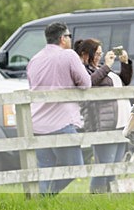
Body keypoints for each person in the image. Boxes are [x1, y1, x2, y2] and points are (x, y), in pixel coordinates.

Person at [26, 22, 92, 195]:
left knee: (45, 169)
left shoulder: (34, 59)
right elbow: (86, 83)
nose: (71, 40)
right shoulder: (68, 55)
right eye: (69, 36)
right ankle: (46, 196)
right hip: (61, 122)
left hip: (37, 123)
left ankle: (40, 204)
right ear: (63, 38)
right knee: (75, 167)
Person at [75, 39, 133, 193]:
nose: (100, 57)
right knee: (104, 166)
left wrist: (125, 63)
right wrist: (107, 66)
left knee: (114, 166)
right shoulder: (84, 70)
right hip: (104, 123)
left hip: (120, 121)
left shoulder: (101, 68)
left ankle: (109, 197)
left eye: (101, 53)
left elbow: (124, 81)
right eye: (97, 54)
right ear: (86, 54)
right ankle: (96, 197)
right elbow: (89, 83)